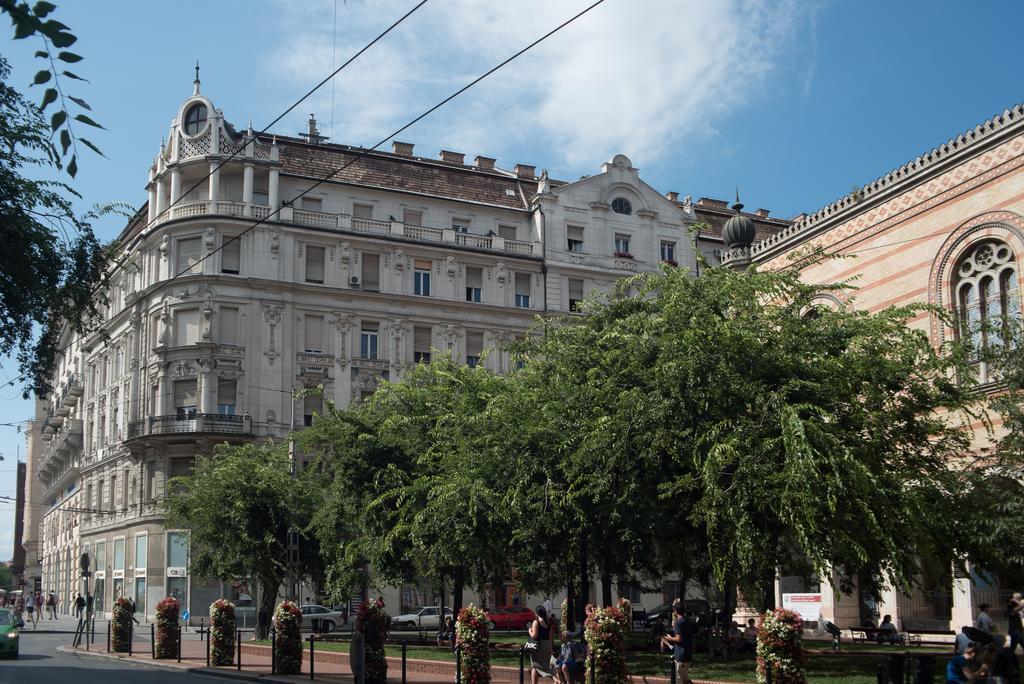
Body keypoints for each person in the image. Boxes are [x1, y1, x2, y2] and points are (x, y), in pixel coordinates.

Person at [661, 600, 697, 684]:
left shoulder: (678, 623)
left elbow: (678, 639)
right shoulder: (690, 621)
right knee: (685, 679)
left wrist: (669, 638)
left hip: (680, 655)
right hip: (688, 654)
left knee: (679, 680)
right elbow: (696, 631)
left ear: (676, 611)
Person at [529, 605, 554, 684]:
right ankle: (556, 680)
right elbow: (550, 638)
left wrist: (529, 631)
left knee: (535, 666)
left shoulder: (536, 622)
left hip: (538, 646)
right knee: (545, 667)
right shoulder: (549, 623)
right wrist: (551, 649)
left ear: (537, 613)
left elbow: (534, 635)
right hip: (547, 646)